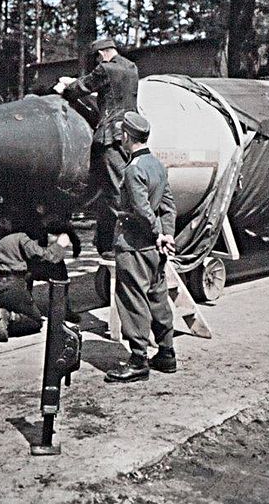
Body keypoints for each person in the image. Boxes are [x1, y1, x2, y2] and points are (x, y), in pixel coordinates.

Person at [105, 112, 177, 384]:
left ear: (126, 137)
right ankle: (167, 353)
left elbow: (141, 209)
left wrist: (158, 233)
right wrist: (166, 235)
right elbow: (168, 205)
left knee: (132, 299)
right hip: (154, 249)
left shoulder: (133, 169)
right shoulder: (157, 165)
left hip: (134, 245)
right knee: (158, 296)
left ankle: (138, 360)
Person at [58, 37, 139, 258]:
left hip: (109, 137)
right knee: (122, 186)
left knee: (113, 191)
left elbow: (80, 88)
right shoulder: (131, 68)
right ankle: (107, 242)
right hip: (127, 134)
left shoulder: (105, 69)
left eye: (96, 57)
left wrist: (67, 86)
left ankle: (113, 243)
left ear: (102, 53)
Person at [0, 204, 71, 342]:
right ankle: (9, 316)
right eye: (11, 220)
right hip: (12, 285)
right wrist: (60, 244)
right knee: (35, 322)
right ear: (3, 221)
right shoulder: (19, 238)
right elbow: (48, 257)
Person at [23, 201, 82, 324]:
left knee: (60, 272)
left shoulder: (54, 219)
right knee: (26, 276)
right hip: (30, 258)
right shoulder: (28, 217)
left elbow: (67, 230)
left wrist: (75, 244)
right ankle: (27, 308)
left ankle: (63, 309)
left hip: (43, 259)